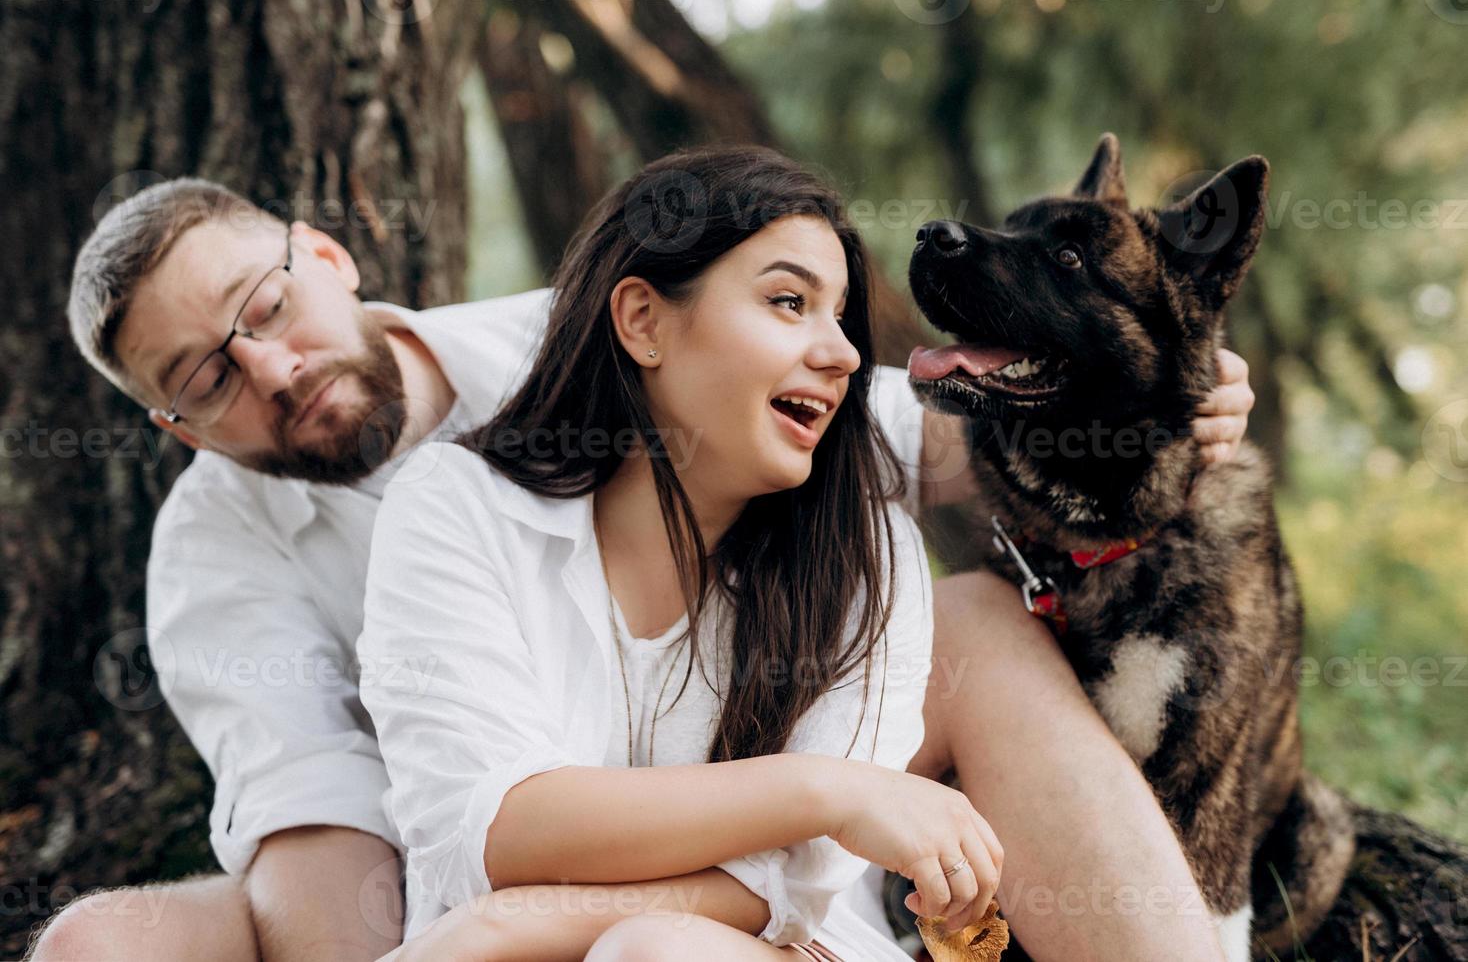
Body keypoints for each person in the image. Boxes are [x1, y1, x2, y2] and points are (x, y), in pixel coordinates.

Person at [31, 145, 1255, 960]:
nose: (273, 367)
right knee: (98, 943)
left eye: (266, 308)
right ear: (172, 425)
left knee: (976, 622)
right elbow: (329, 828)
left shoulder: (572, 342)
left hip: (727, 841)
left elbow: (916, 430)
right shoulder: (227, 556)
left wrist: (1158, 397)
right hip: (427, 867)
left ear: (328, 258)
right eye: (206, 375)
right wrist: (478, 934)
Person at [359, 146, 999, 960]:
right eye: (788, 301)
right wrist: (826, 789)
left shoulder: (869, 556)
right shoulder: (456, 505)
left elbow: (784, 890)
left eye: (841, 317)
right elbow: (492, 835)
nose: (841, 354)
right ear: (642, 321)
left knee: (653, 953)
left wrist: (507, 924)